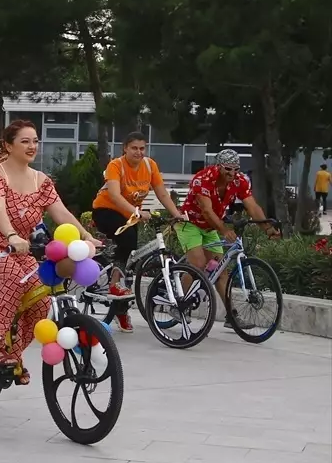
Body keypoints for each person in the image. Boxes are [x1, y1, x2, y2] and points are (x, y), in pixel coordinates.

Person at [0, 120, 98, 383]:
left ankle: (12, 356)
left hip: (18, 250)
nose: (32, 146)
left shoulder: (41, 181)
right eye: (25, 141)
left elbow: (61, 213)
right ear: (8, 146)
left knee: (41, 299)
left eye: (35, 141)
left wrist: (85, 235)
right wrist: (12, 234)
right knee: (13, 279)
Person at [91, 132, 186, 333]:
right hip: (106, 211)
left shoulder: (150, 166)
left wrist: (176, 213)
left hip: (131, 215)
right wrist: (136, 212)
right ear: (125, 148)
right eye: (134, 148)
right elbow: (115, 196)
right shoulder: (116, 165)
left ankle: (121, 310)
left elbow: (161, 193)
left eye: (142, 148)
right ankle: (114, 284)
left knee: (131, 260)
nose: (139, 152)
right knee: (128, 240)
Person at [180, 149, 277, 329]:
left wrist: (267, 228)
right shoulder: (203, 179)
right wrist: (224, 230)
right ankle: (180, 305)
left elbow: (252, 206)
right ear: (218, 166)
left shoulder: (239, 181)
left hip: (210, 227)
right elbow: (207, 211)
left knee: (221, 271)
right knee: (198, 264)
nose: (232, 173)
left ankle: (232, 317)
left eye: (236, 169)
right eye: (227, 169)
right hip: (190, 223)